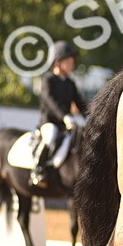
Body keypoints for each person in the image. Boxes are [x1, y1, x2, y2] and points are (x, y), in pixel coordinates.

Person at [30, 40, 86, 188]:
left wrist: (92, 117)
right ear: (57, 63)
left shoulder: (70, 83)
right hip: (49, 122)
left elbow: (80, 103)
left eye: (72, 60)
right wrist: (65, 116)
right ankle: (37, 170)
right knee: (49, 137)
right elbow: (51, 103)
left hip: (66, 124)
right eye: (68, 60)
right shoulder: (48, 80)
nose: (72, 63)